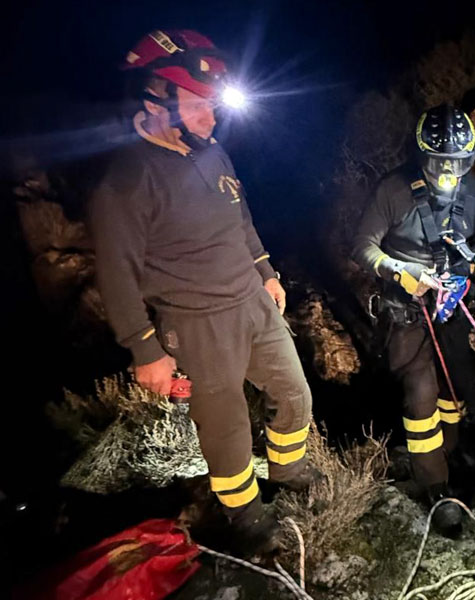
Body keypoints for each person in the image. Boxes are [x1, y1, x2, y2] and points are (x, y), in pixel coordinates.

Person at [89, 29, 315, 555]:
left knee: (296, 394)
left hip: (253, 303)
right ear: (156, 101)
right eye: (198, 107)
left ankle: (290, 470)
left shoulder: (211, 151)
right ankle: (246, 517)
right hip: (196, 321)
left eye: (213, 107)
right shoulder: (125, 181)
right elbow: (116, 273)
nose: (211, 120)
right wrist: (145, 349)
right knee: (227, 428)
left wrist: (266, 271)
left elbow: (241, 214)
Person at [352, 104, 475, 535]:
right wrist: (402, 272)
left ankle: (450, 454)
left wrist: (469, 271)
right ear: (422, 157)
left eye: (457, 163)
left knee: (457, 387)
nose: (448, 172)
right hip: (407, 309)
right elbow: (363, 246)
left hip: (452, 306)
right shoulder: (394, 191)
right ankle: (434, 485)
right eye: (438, 163)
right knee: (421, 393)